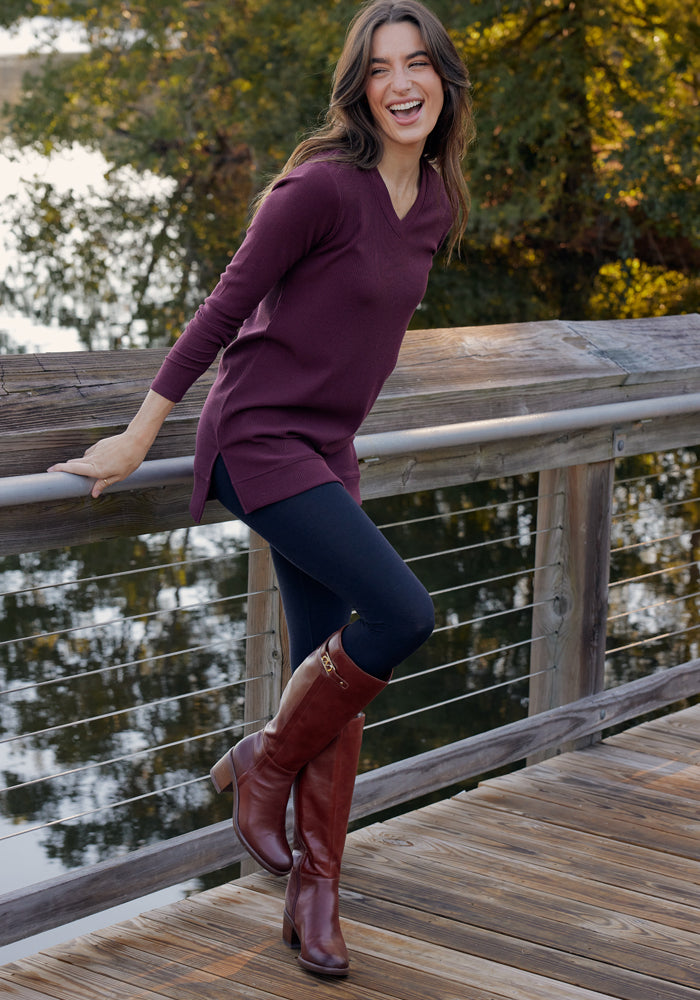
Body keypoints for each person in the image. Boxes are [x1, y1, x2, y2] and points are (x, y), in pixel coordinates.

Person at [49, 0, 473, 978]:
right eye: (380, 67)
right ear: (359, 88)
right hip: (257, 439)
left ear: (445, 80)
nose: (402, 82)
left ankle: (315, 892)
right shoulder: (319, 189)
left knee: (333, 669)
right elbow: (220, 312)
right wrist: (135, 435)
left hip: (331, 448)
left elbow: (358, 329)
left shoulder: (438, 202)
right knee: (402, 612)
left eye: (418, 64)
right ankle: (264, 763)